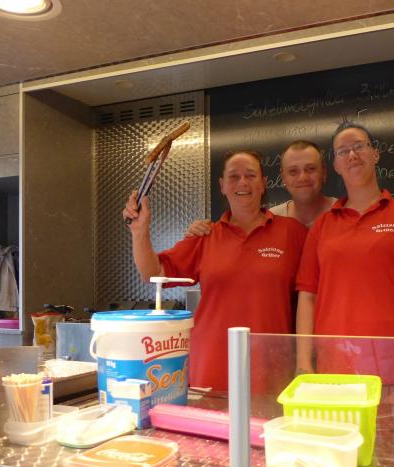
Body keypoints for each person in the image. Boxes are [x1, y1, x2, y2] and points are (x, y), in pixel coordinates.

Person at [123, 150, 307, 392]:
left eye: (251, 175)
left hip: (272, 370)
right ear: (222, 185)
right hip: (211, 367)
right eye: (234, 176)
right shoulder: (206, 235)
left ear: (263, 183)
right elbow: (153, 273)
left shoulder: (293, 233)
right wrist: (140, 232)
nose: (242, 182)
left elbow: (311, 297)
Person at [295, 122, 394, 381]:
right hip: (337, 366)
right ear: (335, 165)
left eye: (359, 146)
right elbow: (307, 297)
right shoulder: (322, 226)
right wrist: (303, 365)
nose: (352, 155)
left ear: (375, 154)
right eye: (343, 151)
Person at [184, 140, 394, 235]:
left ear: (324, 173)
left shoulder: (346, 214)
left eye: (310, 169)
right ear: (283, 178)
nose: (302, 177)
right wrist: (202, 231)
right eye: (293, 171)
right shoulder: (270, 220)